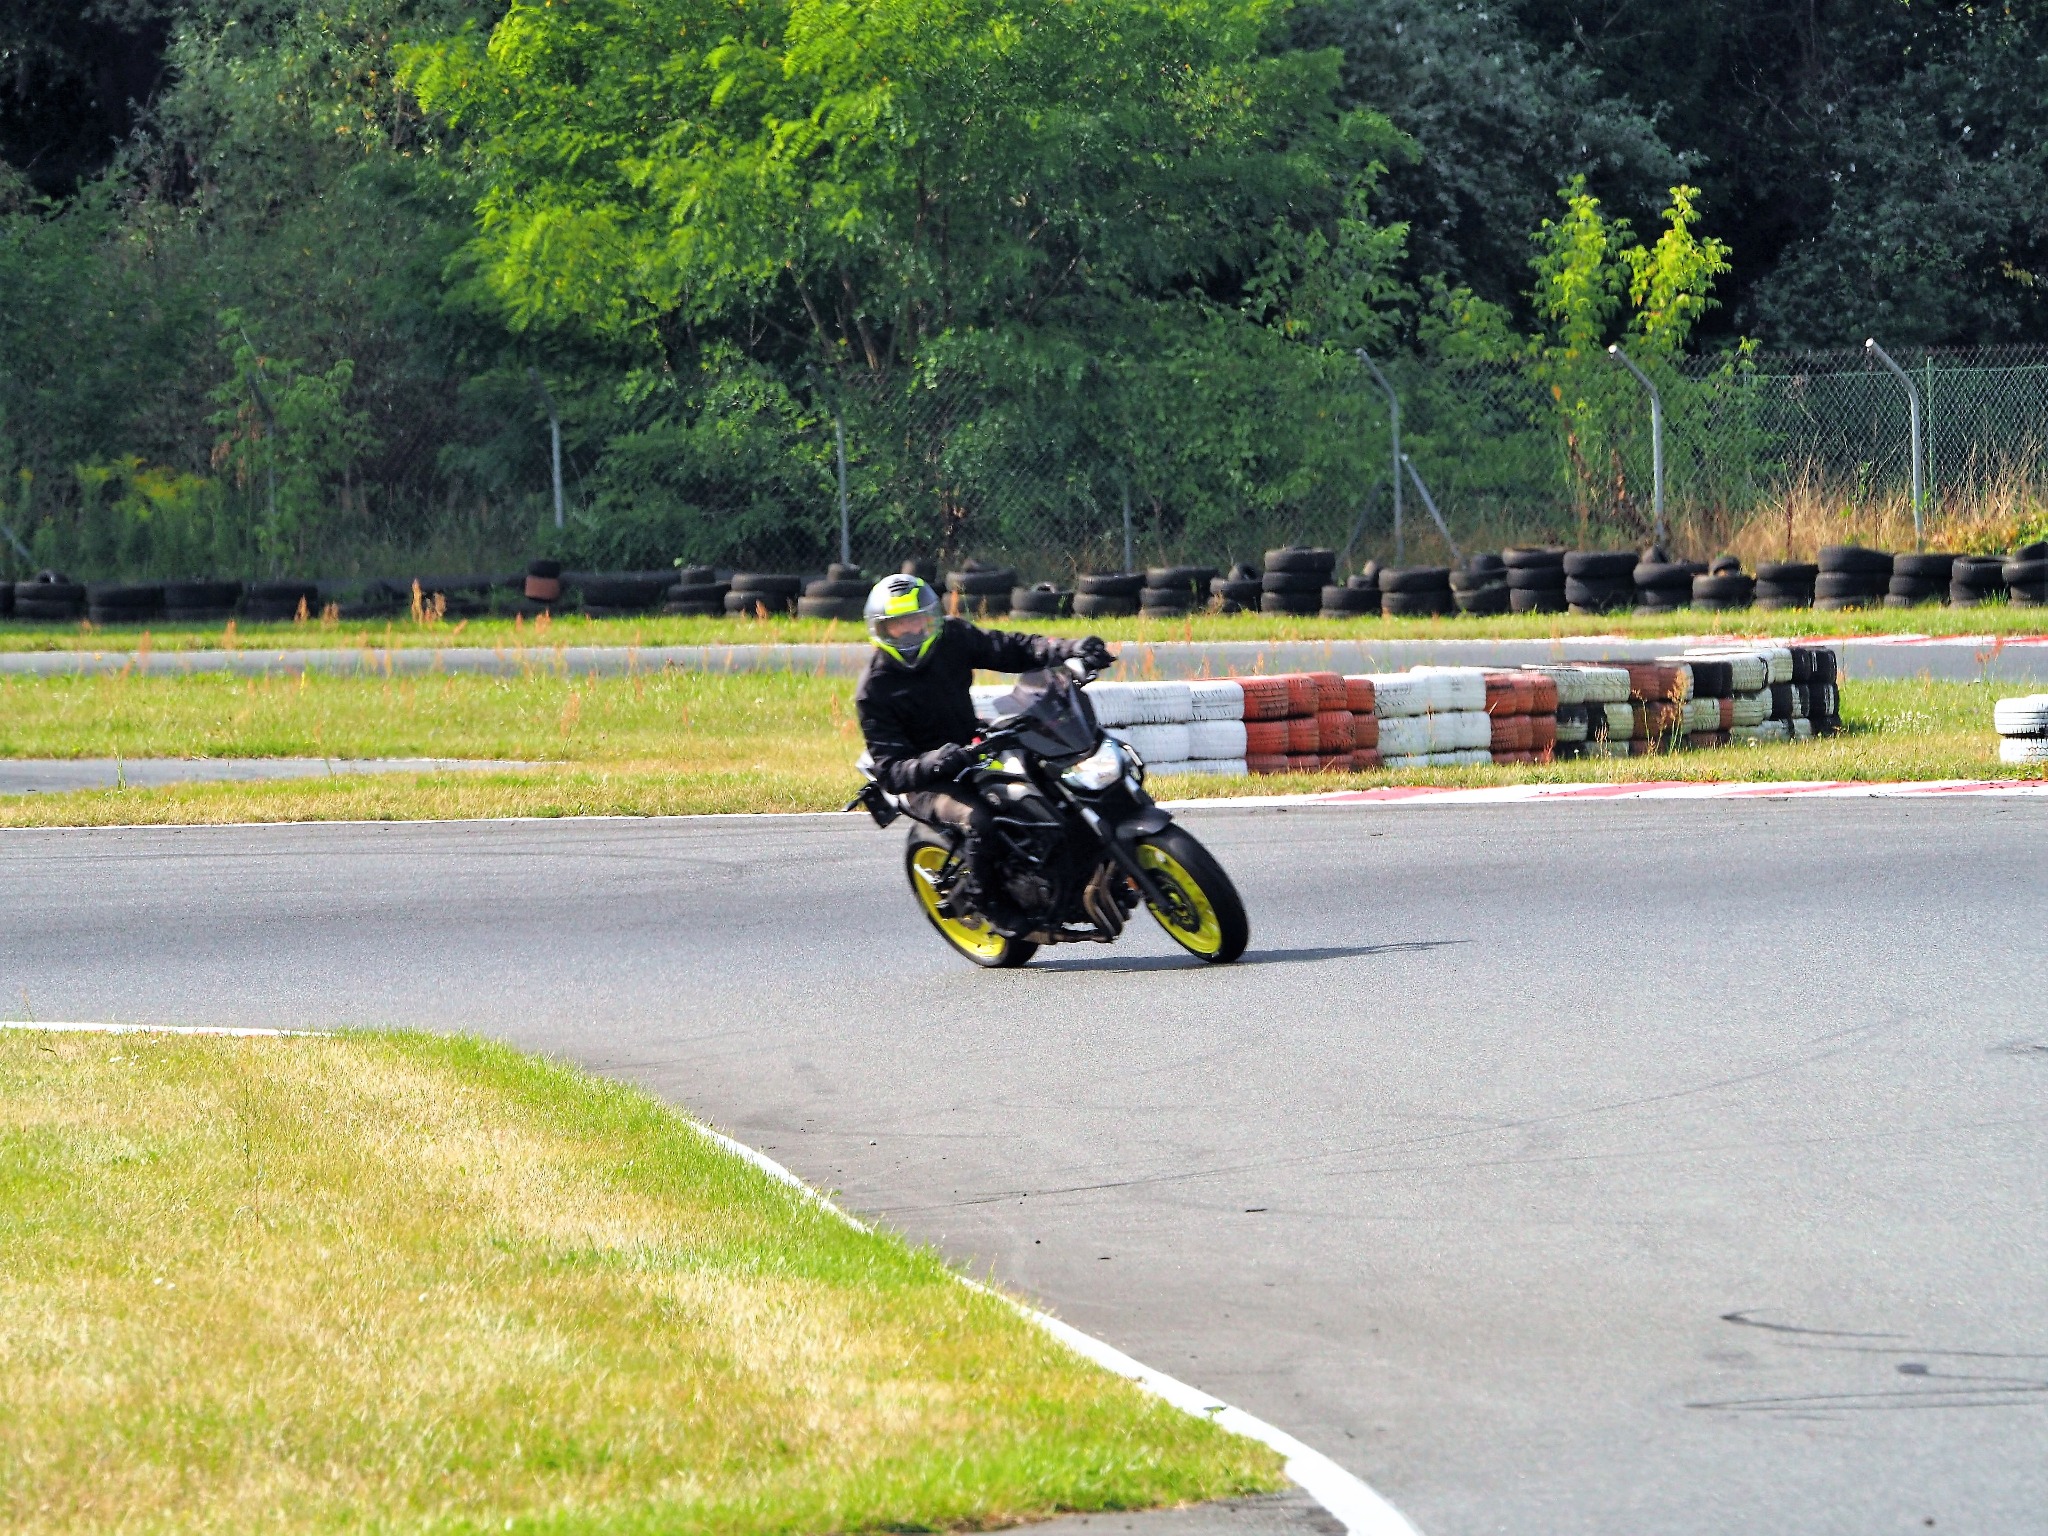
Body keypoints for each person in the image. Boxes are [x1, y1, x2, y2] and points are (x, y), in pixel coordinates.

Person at [854, 572, 1113, 914]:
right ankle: (988, 902)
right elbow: (890, 770)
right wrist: (937, 761)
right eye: (899, 625)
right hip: (926, 780)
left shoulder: (953, 636)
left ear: (931, 617)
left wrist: (1069, 649)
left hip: (972, 745)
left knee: (1047, 779)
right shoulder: (874, 690)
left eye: (918, 620)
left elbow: (1012, 647)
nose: (912, 631)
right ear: (882, 630)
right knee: (980, 821)